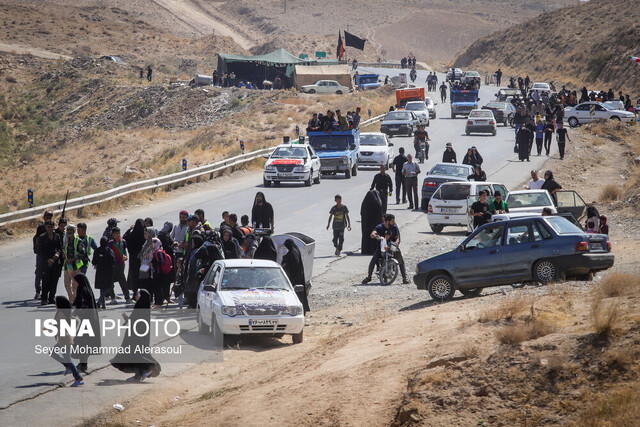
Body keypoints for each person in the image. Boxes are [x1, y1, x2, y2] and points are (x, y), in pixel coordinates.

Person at [110, 289, 161, 382]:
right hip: (138, 337)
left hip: (136, 338)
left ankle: (150, 367)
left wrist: (125, 317)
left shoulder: (140, 308)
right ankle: (138, 376)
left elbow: (134, 322)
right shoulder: (143, 307)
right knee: (135, 356)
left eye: (138, 295)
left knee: (136, 355)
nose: (136, 297)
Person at [362, 214, 408, 284]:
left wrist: (396, 243)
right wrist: (375, 236)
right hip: (381, 248)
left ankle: (405, 278)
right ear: (387, 221)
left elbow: (397, 237)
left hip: (392, 247)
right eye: (392, 221)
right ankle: (369, 277)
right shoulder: (380, 227)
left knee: (400, 261)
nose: (393, 223)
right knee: (373, 261)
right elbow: (373, 233)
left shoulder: (394, 227)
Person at [50, 296, 84, 387]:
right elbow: (76, 321)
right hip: (64, 339)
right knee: (53, 353)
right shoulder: (65, 312)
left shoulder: (61, 313)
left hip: (64, 340)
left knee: (68, 359)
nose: (55, 304)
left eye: (56, 302)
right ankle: (69, 368)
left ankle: (78, 377)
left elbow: (57, 326)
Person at [72, 273, 101, 373]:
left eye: (75, 281)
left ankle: (83, 364)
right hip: (90, 320)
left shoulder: (82, 290)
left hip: (87, 321)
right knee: (84, 342)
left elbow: (84, 305)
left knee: (81, 341)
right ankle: (83, 363)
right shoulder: (86, 289)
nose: (74, 283)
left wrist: (76, 314)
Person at [36, 221, 62, 305]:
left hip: (55, 263)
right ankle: (44, 298)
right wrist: (47, 259)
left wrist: (58, 253)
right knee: (45, 281)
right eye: (48, 227)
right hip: (45, 264)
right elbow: (39, 251)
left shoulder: (57, 236)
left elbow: (60, 248)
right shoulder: (42, 237)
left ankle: (51, 298)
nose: (50, 229)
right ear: (46, 228)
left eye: (51, 227)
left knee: (54, 281)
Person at [281, 239, 310, 312]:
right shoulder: (295, 251)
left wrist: (285, 264)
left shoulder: (292, 253)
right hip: (298, 275)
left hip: (294, 276)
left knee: (295, 293)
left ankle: (296, 310)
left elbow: (293, 264)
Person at [33, 210, 54, 300]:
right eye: (47, 217)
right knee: (39, 272)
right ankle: (38, 291)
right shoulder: (41, 228)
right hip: (41, 254)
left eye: (50, 217)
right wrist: (37, 250)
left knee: (50, 274)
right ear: (44, 218)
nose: (48, 218)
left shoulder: (53, 227)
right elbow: (36, 239)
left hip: (50, 254)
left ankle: (48, 293)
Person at [123, 219, 146, 296]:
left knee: (134, 276)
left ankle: (135, 294)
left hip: (133, 259)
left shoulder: (131, 235)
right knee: (143, 276)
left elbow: (124, 238)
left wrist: (129, 229)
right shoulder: (145, 236)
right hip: (143, 259)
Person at [108, 226, 130, 303]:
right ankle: (113, 298)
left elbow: (124, 251)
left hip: (121, 265)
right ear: (113, 235)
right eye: (116, 234)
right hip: (113, 266)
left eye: (119, 233)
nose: (118, 235)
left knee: (123, 282)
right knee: (110, 282)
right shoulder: (110, 243)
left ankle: (127, 298)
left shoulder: (123, 242)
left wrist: (125, 257)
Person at [93, 237, 116, 309]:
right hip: (108, 271)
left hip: (100, 270)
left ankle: (103, 305)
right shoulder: (109, 251)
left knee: (102, 287)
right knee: (106, 287)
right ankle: (99, 302)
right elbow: (113, 261)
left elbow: (94, 261)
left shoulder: (97, 250)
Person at [360, 190, 384, 255]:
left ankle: (365, 250)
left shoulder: (365, 203)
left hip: (366, 223)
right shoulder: (378, 203)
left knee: (366, 234)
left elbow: (362, 212)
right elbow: (380, 214)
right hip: (376, 223)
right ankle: (374, 250)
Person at [62, 224, 82, 302]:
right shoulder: (66, 241)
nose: (69, 231)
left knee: (75, 285)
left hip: (76, 266)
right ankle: (71, 300)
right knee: (67, 284)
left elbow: (82, 253)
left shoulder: (78, 241)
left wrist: (73, 259)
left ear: (74, 231)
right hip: (68, 267)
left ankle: (75, 301)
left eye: (71, 230)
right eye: (68, 230)